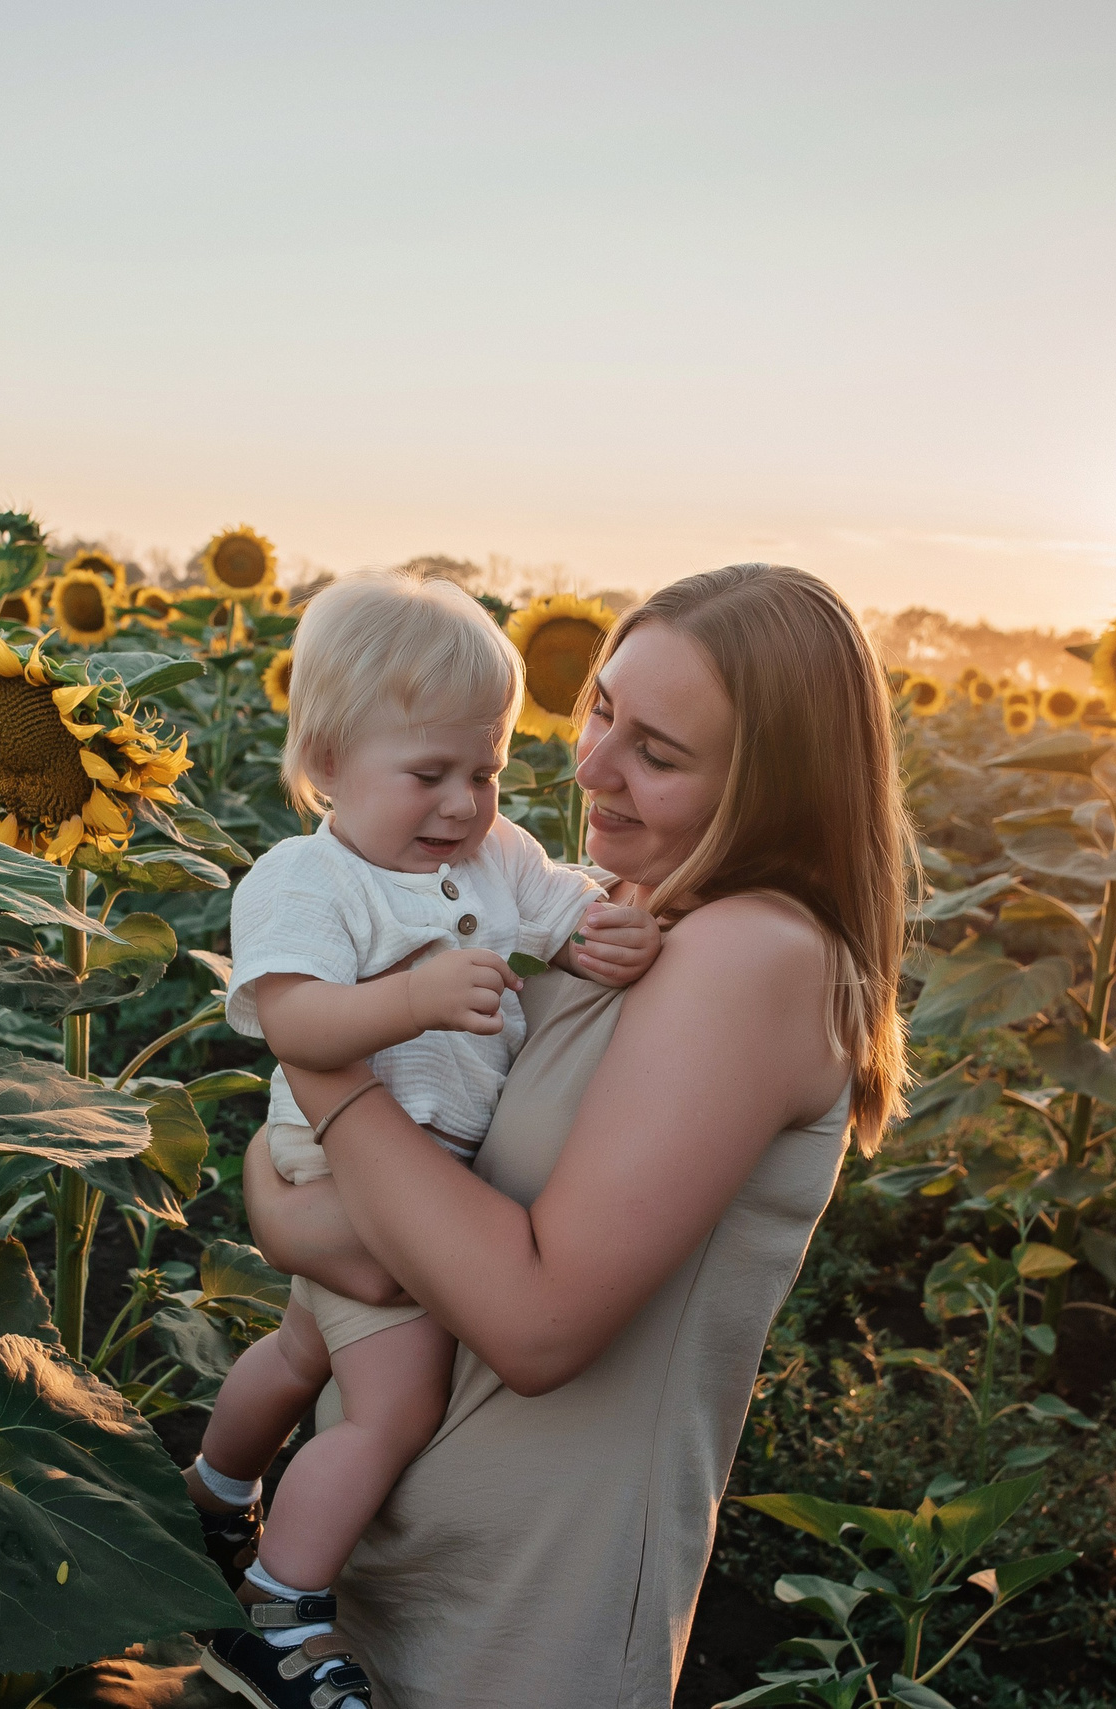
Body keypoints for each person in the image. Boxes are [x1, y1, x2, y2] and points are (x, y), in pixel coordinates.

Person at [241, 563, 909, 1706]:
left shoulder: (753, 955)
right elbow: (335, 1189)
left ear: (774, 786)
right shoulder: (617, 914)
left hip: (519, 1613)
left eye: (657, 750)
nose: (590, 763)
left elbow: (536, 1323)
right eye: (601, 708)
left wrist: (320, 1060)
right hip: (385, 1566)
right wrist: (291, 1197)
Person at [187, 568, 662, 1709]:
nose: (463, 802)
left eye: (487, 770)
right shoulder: (307, 878)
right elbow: (293, 1020)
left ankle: (212, 1485)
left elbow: (561, 906)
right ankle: (281, 1610)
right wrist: (410, 997)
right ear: (331, 761)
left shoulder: (494, 857)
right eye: (429, 773)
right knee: (393, 1407)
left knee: (306, 1350)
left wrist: (610, 933)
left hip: (411, 1168)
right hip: (347, 1163)